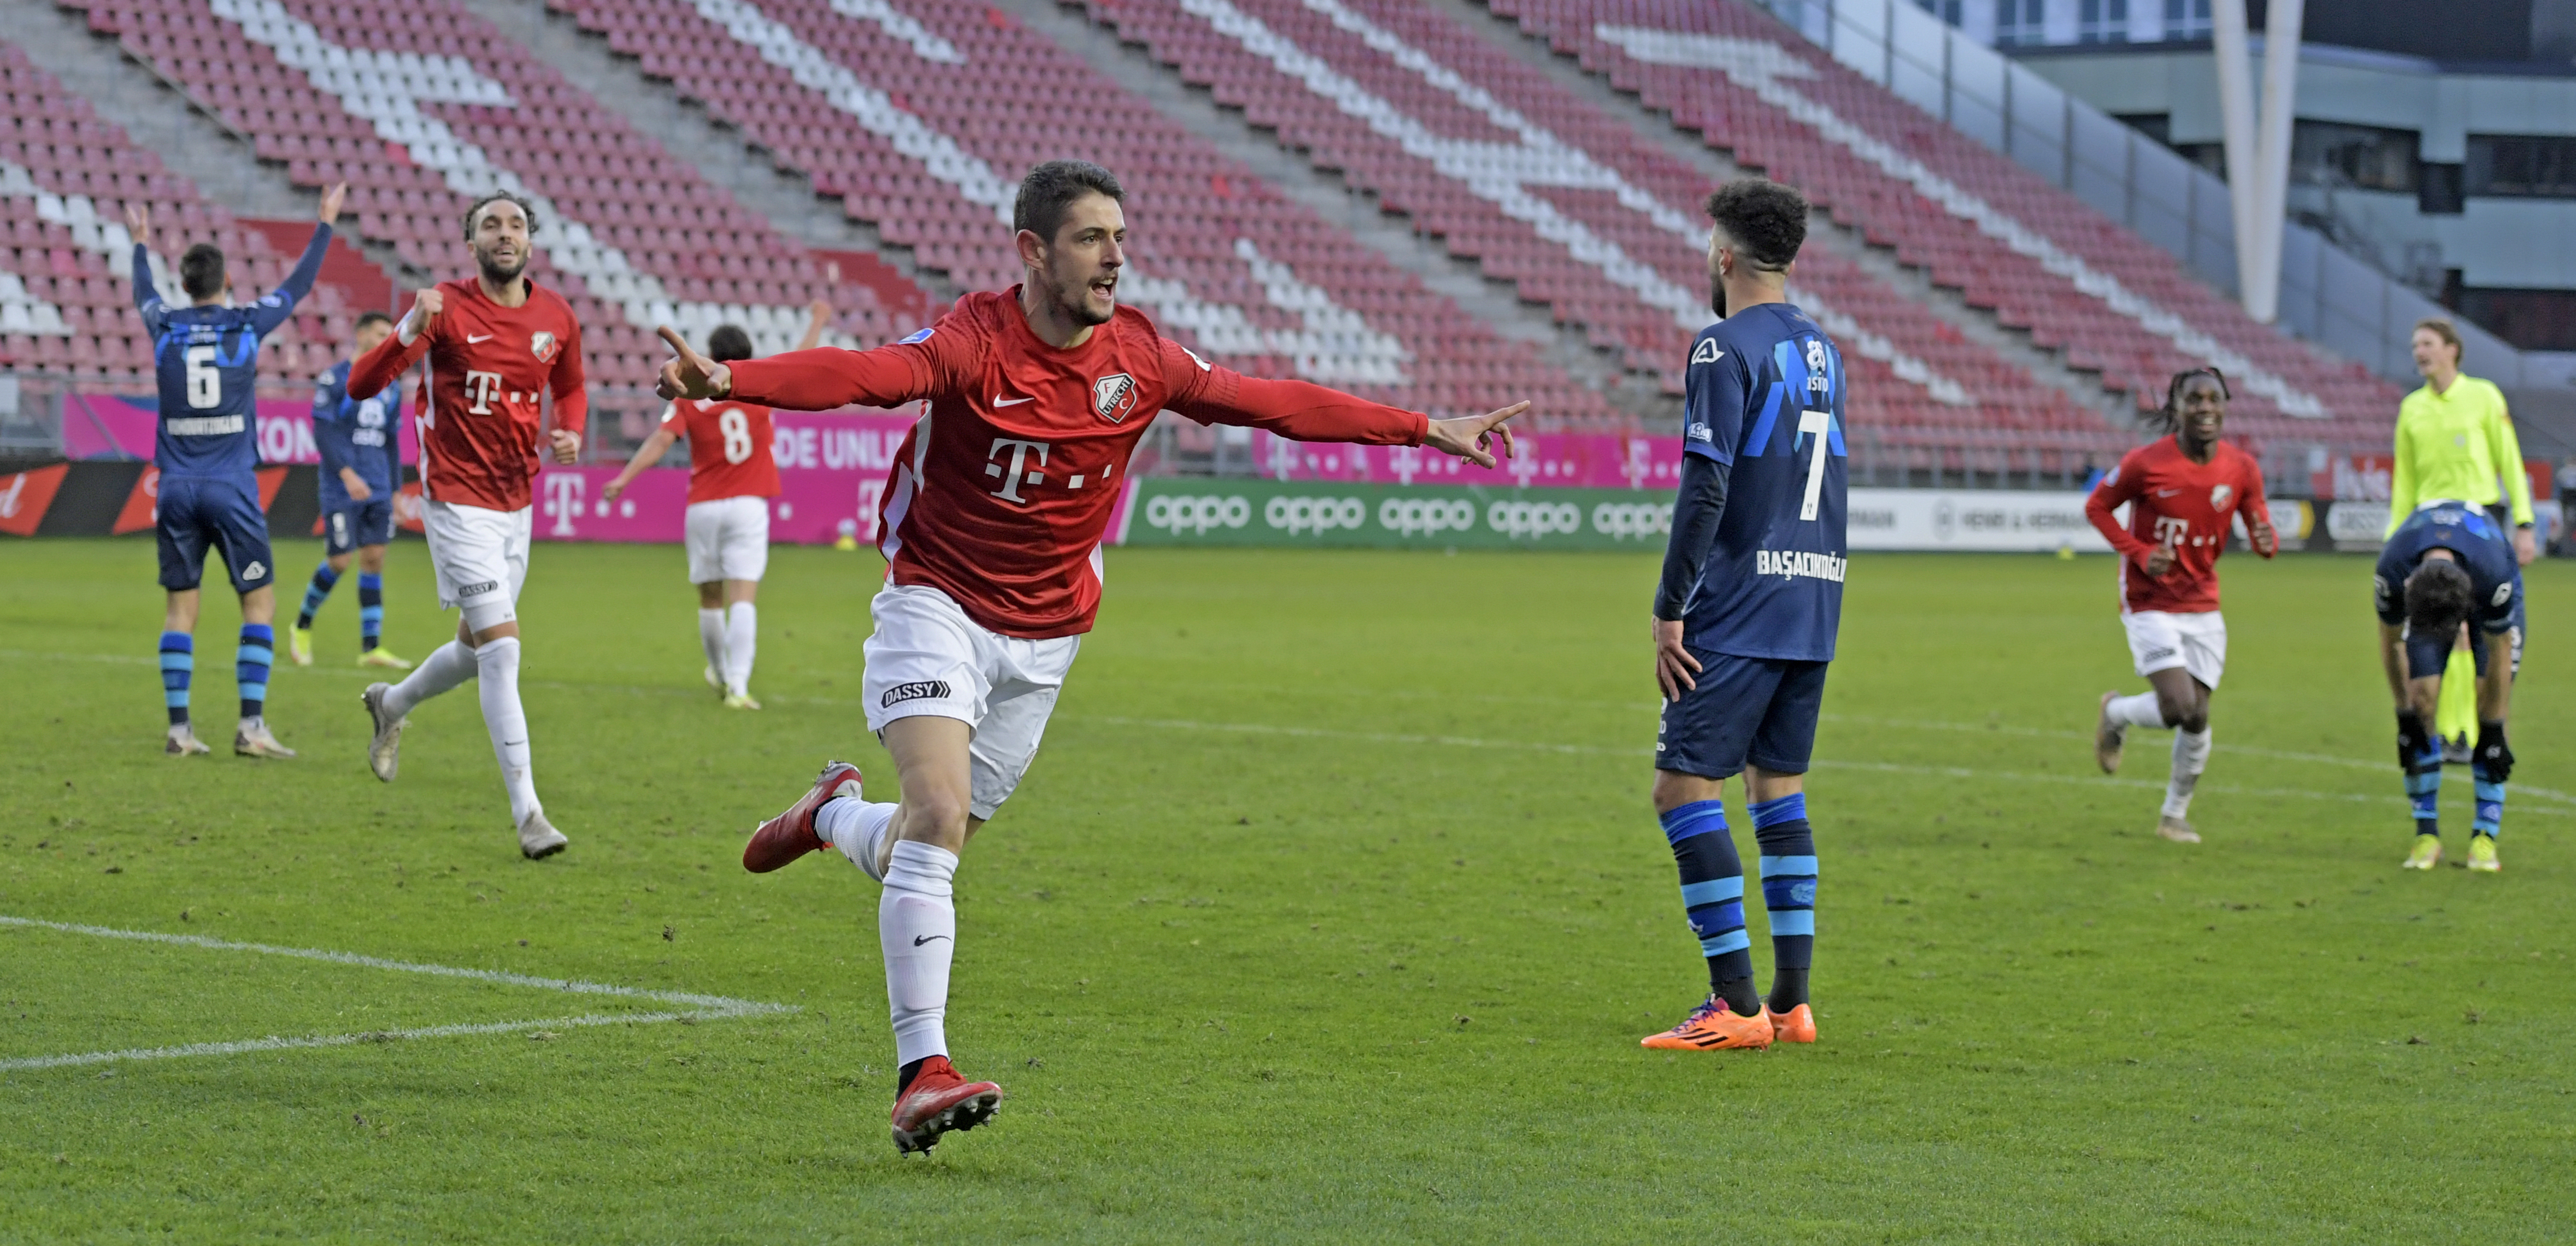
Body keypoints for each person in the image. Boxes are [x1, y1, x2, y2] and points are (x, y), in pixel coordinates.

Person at [655, 160, 1525, 1153]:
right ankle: (919, 1072)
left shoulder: (1141, 356)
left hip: (1049, 637)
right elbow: (866, 374)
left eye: (1119, 236)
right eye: (1090, 239)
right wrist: (734, 379)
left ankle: (833, 816)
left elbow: (1273, 402)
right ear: (1032, 251)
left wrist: (1424, 429)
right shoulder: (972, 340)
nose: (1115, 255)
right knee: (936, 813)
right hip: (933, 601)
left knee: (923, 846)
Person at [1640, 178, 1844, 1054]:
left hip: (1740, 602)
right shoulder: (1822, 350)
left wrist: (1669, 605)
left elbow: (1706, 479)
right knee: (1777, 789)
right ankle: (1791, 1002)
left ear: (1722, 255)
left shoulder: (1723, 348)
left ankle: (1733, 1006)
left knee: (1683, 788)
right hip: (1813, 598)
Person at [348, 191, 585, 861]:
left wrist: (571, 430)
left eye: (514, 224)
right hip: (454, 501)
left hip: (517, 505)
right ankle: (530, 815)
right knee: (504, 650)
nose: (503, 234)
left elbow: (571, 386)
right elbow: (361, 386)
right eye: (490, 225)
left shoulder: (556, 316)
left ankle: (390, 705)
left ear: (531, 242)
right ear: (471, 242)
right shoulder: (442, 309)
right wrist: (405, 327)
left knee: (474, 648)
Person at [126, 184, 344, 759]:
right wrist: (324, 224)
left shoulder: (164, 324)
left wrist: (139, 245)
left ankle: (179, 731)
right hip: (230, 488)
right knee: (260, 602)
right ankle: (250, 727)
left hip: (173, 488)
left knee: (180, 608)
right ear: (225, 283)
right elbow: (297, 289)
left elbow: (142, 293)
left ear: (185, 285)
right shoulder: (245, 324)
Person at [601, 302, 832, 709]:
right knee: (743, 596)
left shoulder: (693, 394)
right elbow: (799, 360)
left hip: (705, 506)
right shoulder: (758, 385)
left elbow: (660, 440)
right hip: (748, 505)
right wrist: (816, 321)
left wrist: (623, 479)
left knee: (711, 599)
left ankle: (721, 675)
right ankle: (739, 688)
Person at [2085, 368, 2278, 843]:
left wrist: (2265, 538)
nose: (2205, 408)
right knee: (2176, 706)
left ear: (2227, 405)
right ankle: (2115, 715)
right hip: (2149, 601)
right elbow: (2097, 507)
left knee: (2197, 717)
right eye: (2195, 400)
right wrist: (2140, 554)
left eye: (2214, 399)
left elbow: (2260, 529)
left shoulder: (2241, 467)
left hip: (2203, 604)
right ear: (2177, 406)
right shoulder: (2145, 463)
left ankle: (2174, 816)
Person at [2389, 319, 2536, 762]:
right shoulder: (2411, 407)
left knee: (2477, 632)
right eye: (2415, 345)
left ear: (2453, 350)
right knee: (2442, 631)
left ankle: (2474, 729)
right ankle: (2451, 732)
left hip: (2478, 526)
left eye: (2428, 344)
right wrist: (2395, 539)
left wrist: (2525, 522)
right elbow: (2405, 479)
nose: (2419, 352)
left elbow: (2509, 459)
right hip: (2427, 531)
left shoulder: (2484, 397)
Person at [2378, 504, 2520, 872]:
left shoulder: (2493, 572)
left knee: (2487, 703)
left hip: (2483, 579)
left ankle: (2484, 839)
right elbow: (2391, 640)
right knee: (2422, 701)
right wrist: (2403, 714)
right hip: (2431, 586)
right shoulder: (2393, 570)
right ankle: (2427, 835)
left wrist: (2493, 731)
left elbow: (2501, 648)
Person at [290, 310, 413, 672]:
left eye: (387, 335)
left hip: (377, 486)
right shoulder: (336, 378)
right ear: (360, 334)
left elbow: (391, 443)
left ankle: (371, 647)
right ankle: (301, 626)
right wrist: (346, 474)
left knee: (374, 559)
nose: (383, 340)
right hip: (343, 485)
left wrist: (394, 492)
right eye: (378, 334)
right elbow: (324, 433)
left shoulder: (391, 384)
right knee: (341, 560)